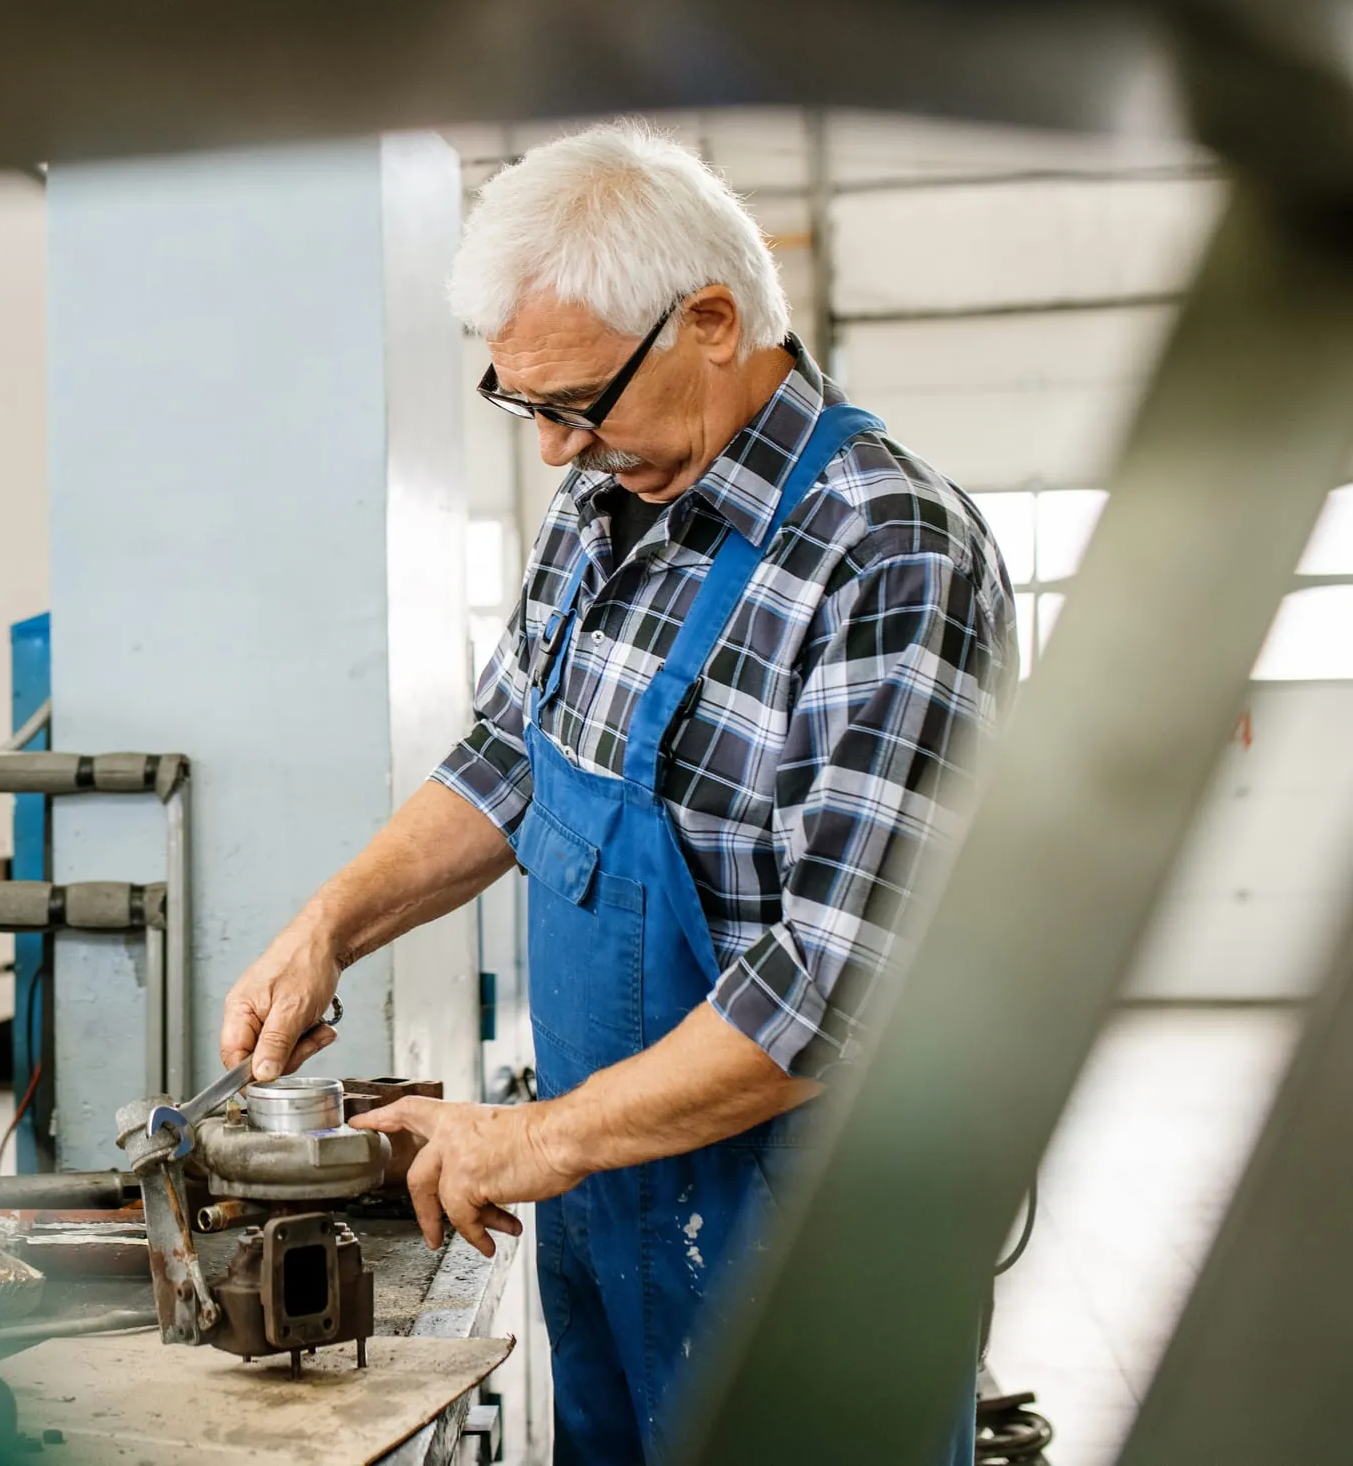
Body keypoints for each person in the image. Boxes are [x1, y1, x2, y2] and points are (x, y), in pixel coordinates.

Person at [219, 122, 1015, 1464]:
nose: (551, 450)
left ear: (712, 318)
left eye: (580, 403)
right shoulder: (606, 501)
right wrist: (329, 924)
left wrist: (535, 1136)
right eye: (526, 407)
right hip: (621, 1196)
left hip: (809, 1239)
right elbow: (507, 759)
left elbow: (833, 988)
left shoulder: (889, 553)